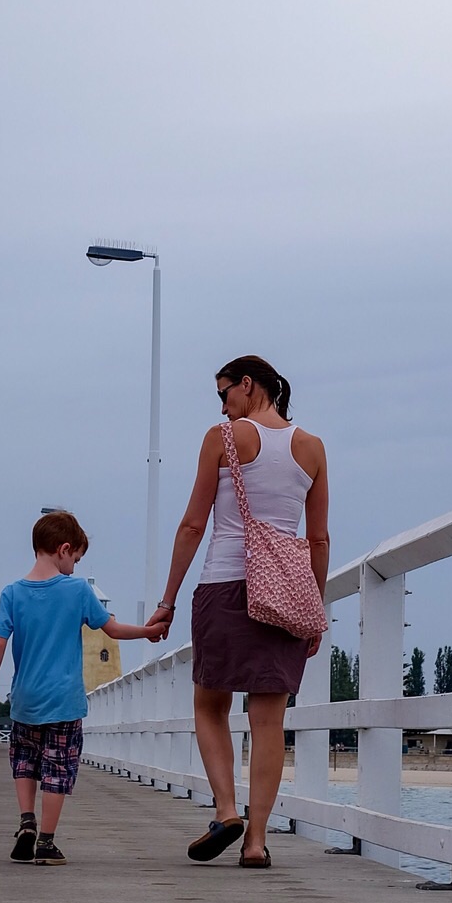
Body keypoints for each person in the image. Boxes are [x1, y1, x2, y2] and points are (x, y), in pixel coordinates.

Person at [150, 355, 328, 870]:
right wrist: (312, 605)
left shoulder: (223, 438)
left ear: (248, 385)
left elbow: (191, 525)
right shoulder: (312, 448)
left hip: (225, 583)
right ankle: (255, 841)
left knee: (210, 705)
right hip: (286, 592)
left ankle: (226, 811)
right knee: (268, 720)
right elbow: (318, 538)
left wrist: (167, 600)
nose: (223, 406)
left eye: (225, 393)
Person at [0, 509, 166, 865]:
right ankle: (47, 843)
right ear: (64, 549)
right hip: (64, 701)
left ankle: (26, 822)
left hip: (25, 699)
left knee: (24, 762)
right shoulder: (77, 591)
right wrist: (147, 631)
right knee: (57, 768)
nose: (75, 567)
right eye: (76, 559)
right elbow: (112, 629)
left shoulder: (12, 593)